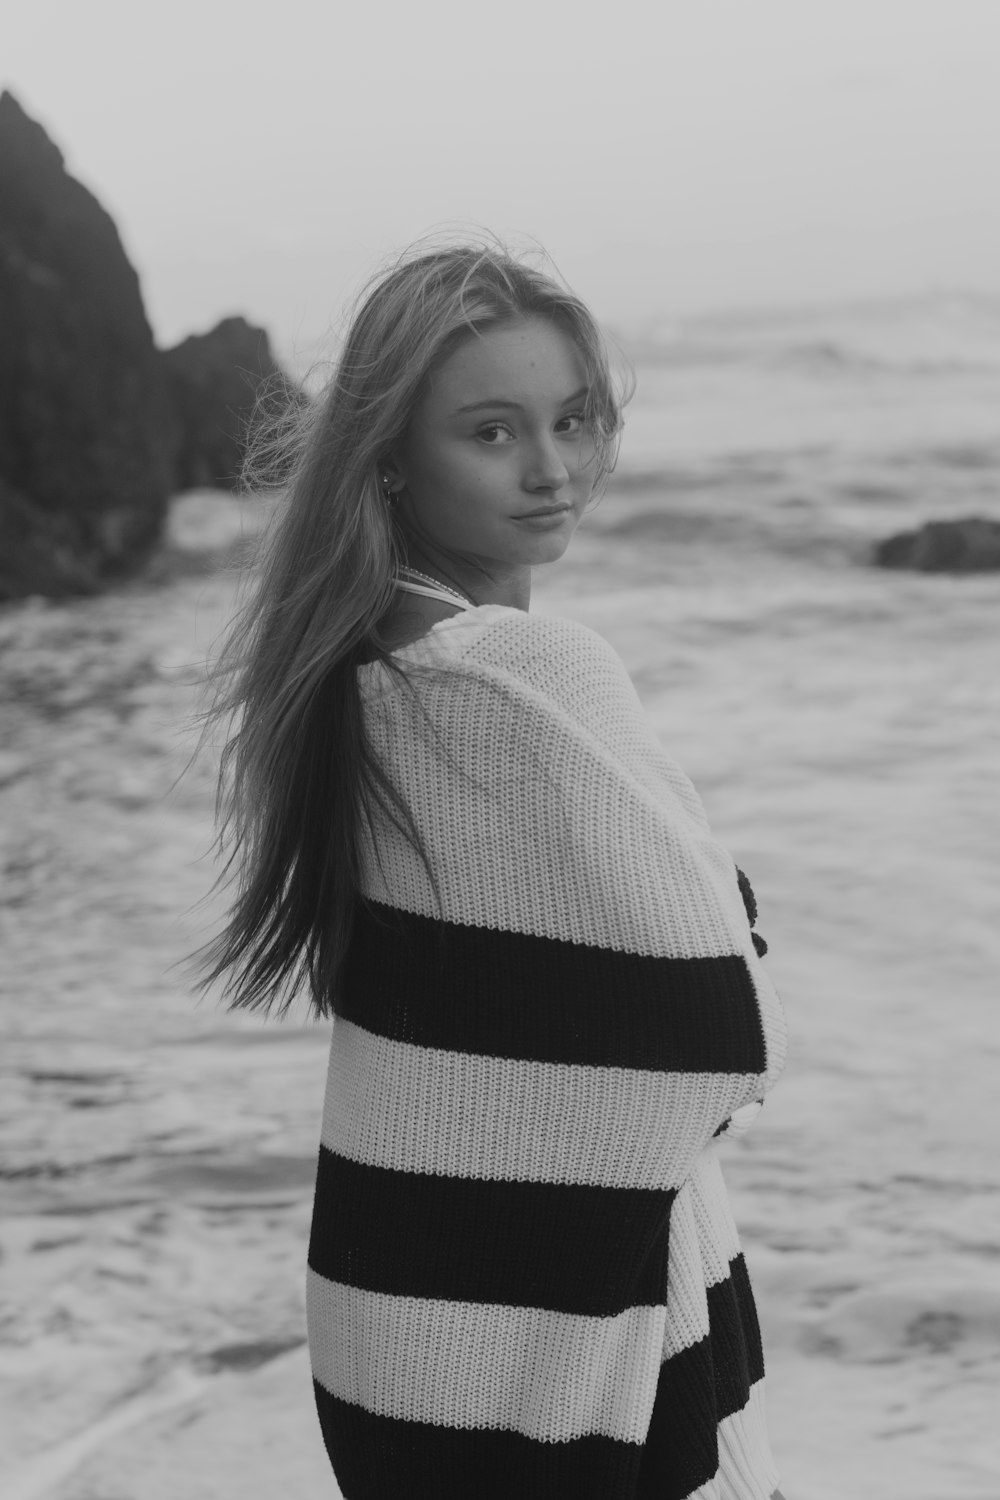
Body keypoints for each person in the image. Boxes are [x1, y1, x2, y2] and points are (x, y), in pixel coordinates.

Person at [200, 240, 789, 1500]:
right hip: (546, 1356)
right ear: (391, 458)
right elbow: (724, 1033)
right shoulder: (517, 679)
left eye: (573, 420)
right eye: (492, 430)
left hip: (398, 1325)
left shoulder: (357, 671)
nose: (554, 468)